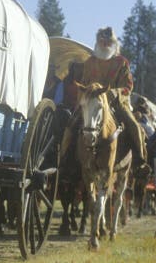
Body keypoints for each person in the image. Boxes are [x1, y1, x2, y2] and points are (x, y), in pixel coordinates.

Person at [60, 27, 149, 175]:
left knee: (133, 125)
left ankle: (140, 160)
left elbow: (128, 86)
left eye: (108, 42)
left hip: (116, 103)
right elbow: (83, 82)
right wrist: (86, 96)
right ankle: (64, 156)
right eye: (102, 41)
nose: (105, 44)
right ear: (97, 42)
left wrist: (115, 92)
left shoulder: (122, 63)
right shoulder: (90, 62)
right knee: (71, 123)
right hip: (91, 102)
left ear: (113, 44)